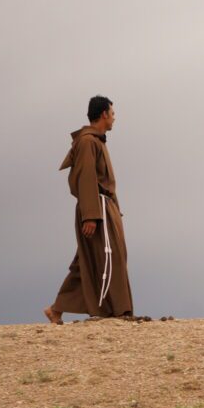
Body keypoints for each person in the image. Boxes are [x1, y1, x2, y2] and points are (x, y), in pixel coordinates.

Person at [44, 96, 133, 324]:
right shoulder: (87, 142)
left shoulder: (97, 141)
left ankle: (56, 309)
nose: (114, 118)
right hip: (97, 210)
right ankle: (118, 311)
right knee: (108, 256)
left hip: (105, 209)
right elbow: (86, 179)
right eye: (112, 113)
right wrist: (91, 216)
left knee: (89, 259)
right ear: (103, 114)